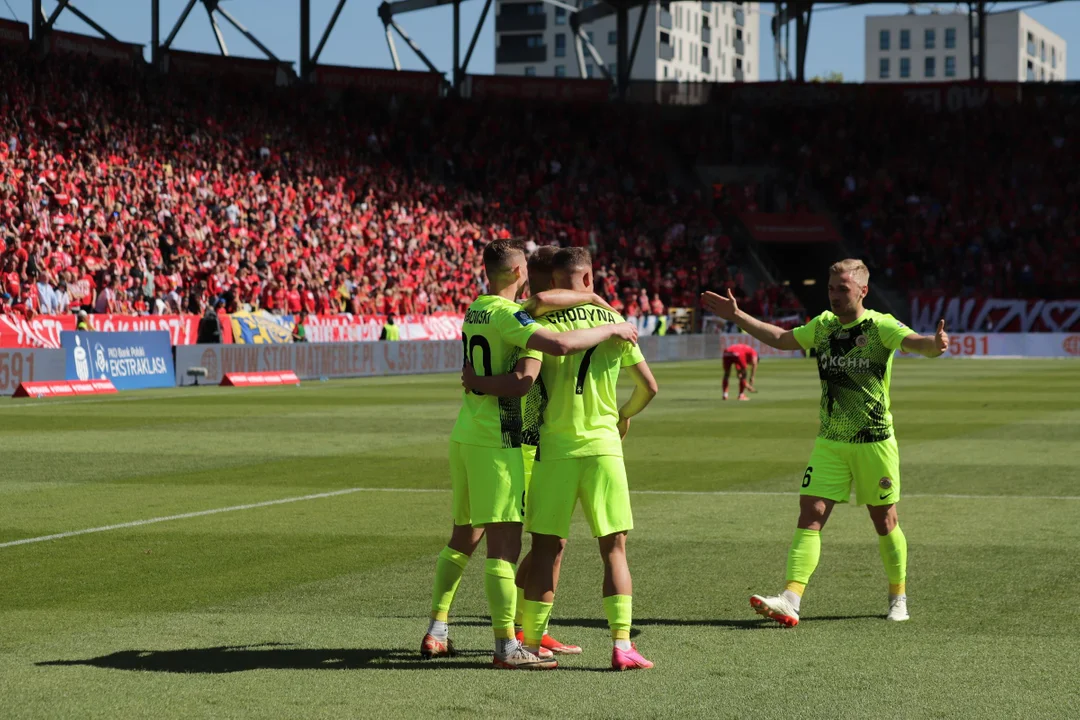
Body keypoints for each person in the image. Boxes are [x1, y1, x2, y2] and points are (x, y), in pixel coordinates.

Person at [421, 239, 639, 671]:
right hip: (506, 439)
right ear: (521, 272)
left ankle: (440, 628)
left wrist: (476, 382)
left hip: (467, 433)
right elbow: (540, 360)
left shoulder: (476, 307)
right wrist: (610, 321)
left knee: (467, 534)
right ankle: (510, 643)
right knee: (510, 544)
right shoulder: (520, 318)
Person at [701, 258, 947, 627]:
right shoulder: (824, 325)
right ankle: (790, 598)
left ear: (863, 290)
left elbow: (916, 343)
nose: (834, 295)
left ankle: (898, 595)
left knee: (885, 521)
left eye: (842, 289)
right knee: (810, 515)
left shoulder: (880, 326)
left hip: (873, 441)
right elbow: (782, 339)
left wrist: (935, 344)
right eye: (831, 288)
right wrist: (739, 316)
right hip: (830, 440)